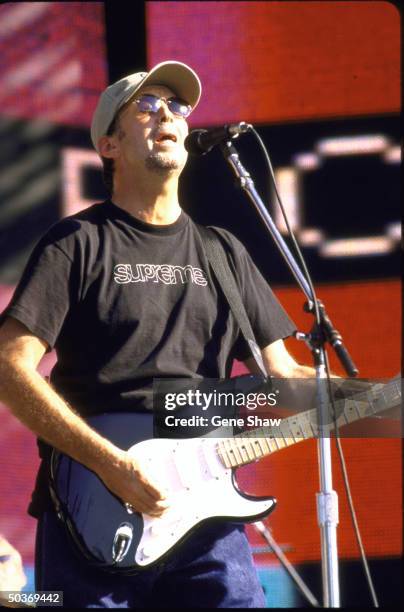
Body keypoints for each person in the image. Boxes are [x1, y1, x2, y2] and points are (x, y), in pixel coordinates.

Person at [0, 60, 316, 608]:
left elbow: (286, 378)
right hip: (94, 505)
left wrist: (387, 401)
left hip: (208, 517)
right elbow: (9, 366)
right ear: (109, 144)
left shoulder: (222, 252)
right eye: (146, 106)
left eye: (177, 106)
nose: (166, 114)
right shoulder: (77, 243)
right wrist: (112, 465)